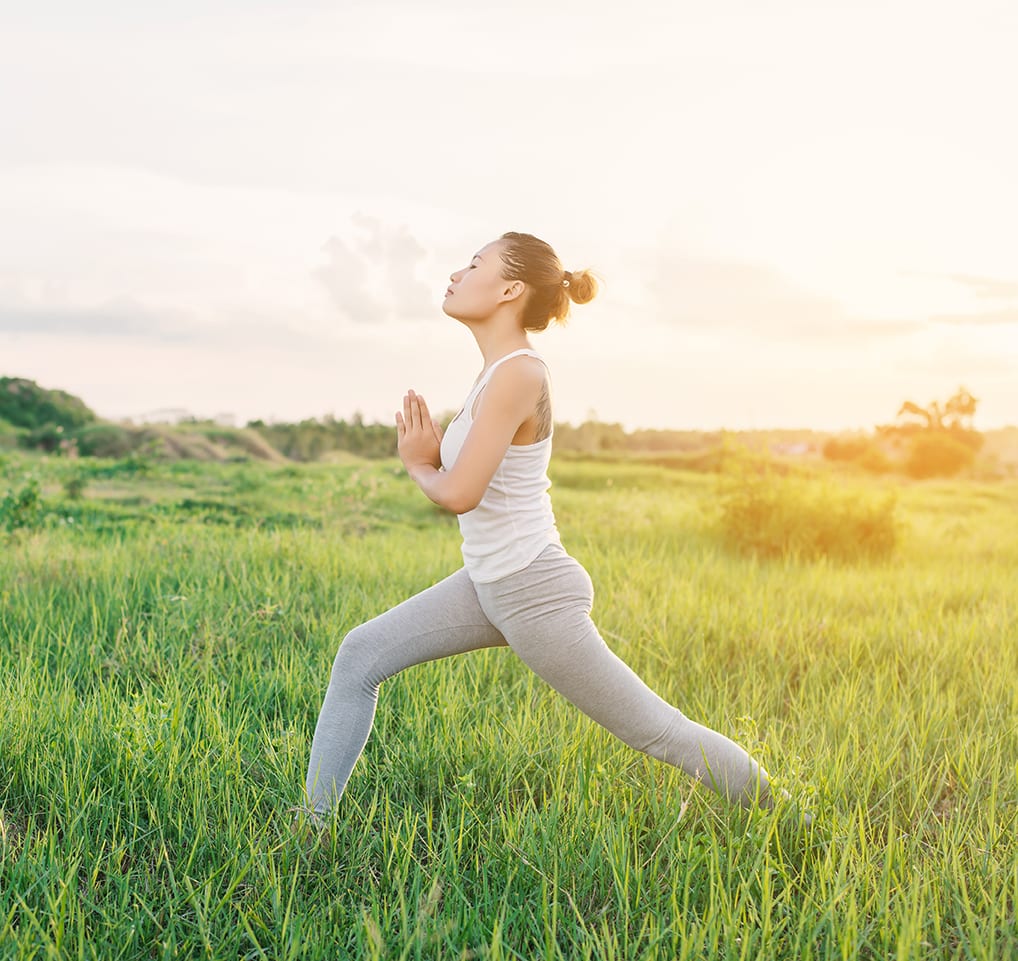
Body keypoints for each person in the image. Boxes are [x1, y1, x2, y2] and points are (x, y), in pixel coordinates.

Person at [304, 231, 800, 822]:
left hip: (531, 590)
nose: (457, 273)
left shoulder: (519, 374)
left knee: (656, 731)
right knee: (360, 655)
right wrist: (433, 458)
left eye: (474, 263)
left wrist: (419, 463)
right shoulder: (494, 374)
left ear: (510, 288)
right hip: (490, 583)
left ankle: (794, 819)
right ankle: (312, 829)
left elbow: (460, 493)